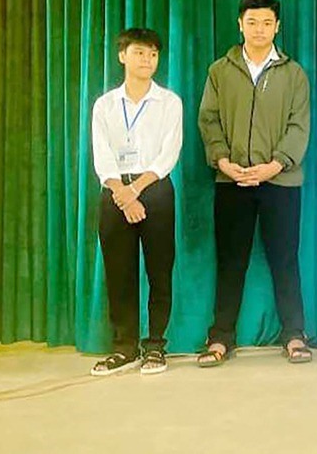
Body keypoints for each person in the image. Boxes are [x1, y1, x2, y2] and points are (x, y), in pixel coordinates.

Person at [197, 0, 312, 367]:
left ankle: (294, 334)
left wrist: (275, 165)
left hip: (280, 182)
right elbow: (209, 120)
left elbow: (299, 125)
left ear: (277, 26)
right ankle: (220, 338)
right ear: (240, 25)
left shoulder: (293, 73)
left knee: (285, 260)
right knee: (231, 262)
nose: (259, 29)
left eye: (266, 22)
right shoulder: (220, 70)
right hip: (232, 181)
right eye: (252, 22)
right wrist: (223, 161)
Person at [90, 28, 183, 376]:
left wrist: (137, 190)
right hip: (115, 191)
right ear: (122, 56)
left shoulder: (169, 102)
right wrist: (123, 193)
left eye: (153, 54)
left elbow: (168, 154)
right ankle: (124, 347)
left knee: (160, 270)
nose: (147, 60)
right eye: (140, 53)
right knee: (119, 272)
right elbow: (102, 156)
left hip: (154, 188)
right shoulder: (105, 105)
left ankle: (155, 345)